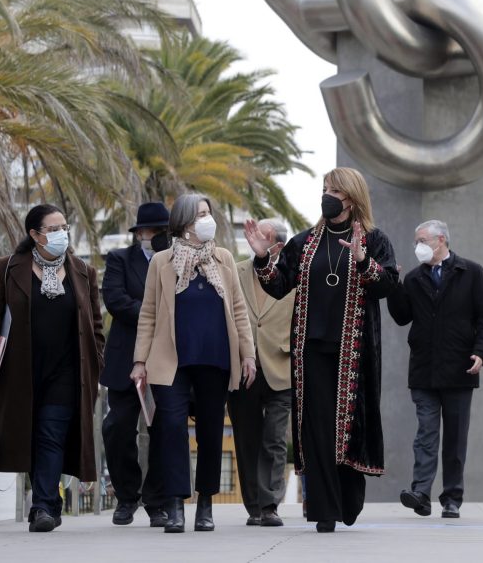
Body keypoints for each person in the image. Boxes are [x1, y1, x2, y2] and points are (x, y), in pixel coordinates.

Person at [242, 167, 398, 533]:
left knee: (349, 427)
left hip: (353, 353)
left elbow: (388, 285)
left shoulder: (374, 240)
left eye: (334, 190)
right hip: (310, 349)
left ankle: (347, 497)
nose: (326, 195)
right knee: (317, 429)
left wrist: (362, 261)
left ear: (352, 197)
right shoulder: (305, 241)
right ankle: (323, 510)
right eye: (324, 188)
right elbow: (279, 285)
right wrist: (263, 258)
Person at [0, 204, 105, 532]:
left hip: (67, 371)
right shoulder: (9, 268)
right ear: (34, 235)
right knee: (31, 436)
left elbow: (96, 326)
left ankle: (42, 506)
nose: (62, 233)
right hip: (20, 372)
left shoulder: (83, 272)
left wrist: (97, 363)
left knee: (51, 433)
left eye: (64, 226)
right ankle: (51, 501)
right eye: (53, 228)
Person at [132, 194, 257, 533]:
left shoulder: (224, 258)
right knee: (171, 430)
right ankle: (175, 505)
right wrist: (139, 360)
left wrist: (248, 355)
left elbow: (239, 310)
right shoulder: (162, 261)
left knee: (210, 433)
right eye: (201, 214)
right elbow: (148, 313)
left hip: (215, 361)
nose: (208, 219)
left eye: (208, 213)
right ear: (186, 222)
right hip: (171, 362)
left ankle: (205, 503)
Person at [387, 220, 483, 519]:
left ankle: (451, 497)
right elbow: (401, 317)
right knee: (425, 434)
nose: (418, 246)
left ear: (441, 240)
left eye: (422, 240)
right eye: (416, 241)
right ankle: (420, 493)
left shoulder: (470, 272)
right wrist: (394, 286)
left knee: (455, 438)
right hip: (424, 369)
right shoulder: (413, 278)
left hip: (460, 369)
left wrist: (481, 353)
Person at [100, 202, 170, 527]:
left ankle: (156, 500)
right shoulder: (119, 260)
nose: (155, 236)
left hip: (166, 361)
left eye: (161, 231)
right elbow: (115, 301)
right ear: (139, 232)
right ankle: (127, 496)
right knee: (117, 429)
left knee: (162, 432)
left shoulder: (175, 262)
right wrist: (154, 311)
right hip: (126, 360)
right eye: (150, 230)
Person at [228, 219, 296, 527]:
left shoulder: (293, 275)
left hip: (281, 366)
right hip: (243, 367)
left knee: (275, 438)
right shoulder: (236, 271)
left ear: (278, 246)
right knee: (247, 438)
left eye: (262, 237)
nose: (254, 240)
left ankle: (270, 505)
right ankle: (253, 504)